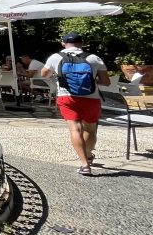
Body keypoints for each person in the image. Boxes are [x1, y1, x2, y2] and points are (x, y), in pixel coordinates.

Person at [41, 32, 110, 176]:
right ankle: (88, 155)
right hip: (91, 98)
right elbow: (106, 82)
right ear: (82, 43)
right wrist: (90, 80)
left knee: (75, 130)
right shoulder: (94, 58)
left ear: (63, 43)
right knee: (90, 129)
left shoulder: (56, 57)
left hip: (67, 98)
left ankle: (85, 165)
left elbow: (44, 74)